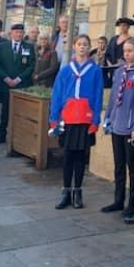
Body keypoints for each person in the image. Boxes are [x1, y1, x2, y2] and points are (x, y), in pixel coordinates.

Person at [49, 35, 105, 209]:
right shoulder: (66, 70)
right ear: (74, 47)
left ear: (89, 48)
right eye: (79, 44)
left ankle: (78, 191)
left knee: (81, 157)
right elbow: (57, 95)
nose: (82, 47)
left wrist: (95, 120)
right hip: (68, 118)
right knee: (68, 156)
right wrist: (54, 119)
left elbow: (98, 96)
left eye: (85, 45)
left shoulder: (95, 70)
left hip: (85, 119)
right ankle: (65, 191)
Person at [101, 38, 134, 221]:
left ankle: (132, 204)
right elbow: (114, 96)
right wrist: (108, 117)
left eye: (130, 50)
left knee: (133, 167)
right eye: (125, 50)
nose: (127, 54)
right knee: (118, 165)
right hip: (117, 123)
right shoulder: (119, 72)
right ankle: (118, 199)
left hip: (131, 126)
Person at [0, 23, 36, 145]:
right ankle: (1, 135)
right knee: (5, 111)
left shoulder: (28, 47)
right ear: (11, 33)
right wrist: (6, 78)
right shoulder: (2, 46)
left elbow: (31, 65)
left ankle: (19, 137)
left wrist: (18, 79)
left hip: (22, 85)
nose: (18, 34)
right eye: (16, 32)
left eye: (21, 32)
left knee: (21, 112)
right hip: (6, 85)